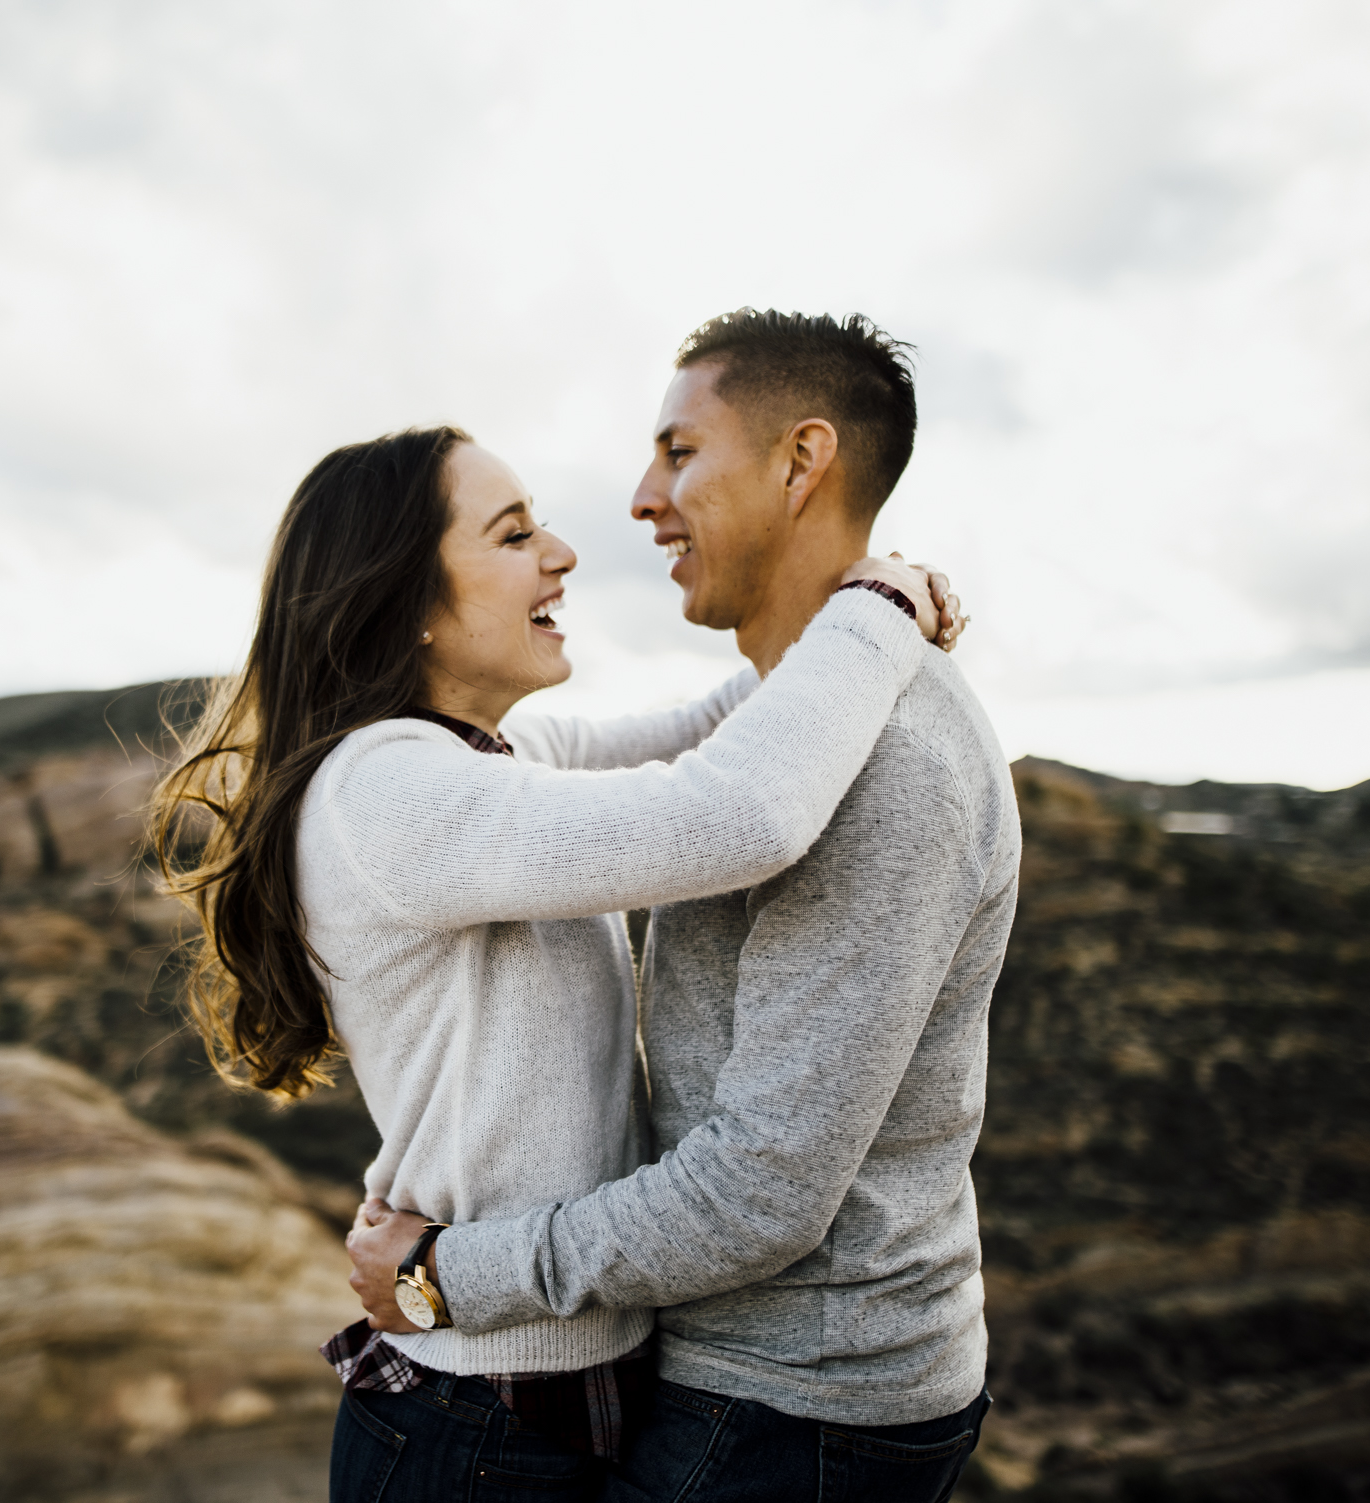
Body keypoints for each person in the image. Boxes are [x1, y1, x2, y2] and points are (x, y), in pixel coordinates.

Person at [146, 419, 962, 1502]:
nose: (562, 554)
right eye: (513, 533)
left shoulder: (491, 758)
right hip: (471, 1422)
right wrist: (871, 617)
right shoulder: (387, 792)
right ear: (406, 603)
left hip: (562, 1392)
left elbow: (719, 727)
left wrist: (854, 600)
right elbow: (739, 814)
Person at [346, 310, 1020, 1503]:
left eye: (678, 453)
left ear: (800, 462)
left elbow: (757, 1193)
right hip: (746, 1370)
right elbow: (713, 775)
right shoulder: (406, 781)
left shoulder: (882, 764)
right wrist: (871, 606)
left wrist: (449, 1273)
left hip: (792, 1400)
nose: (639, 500)